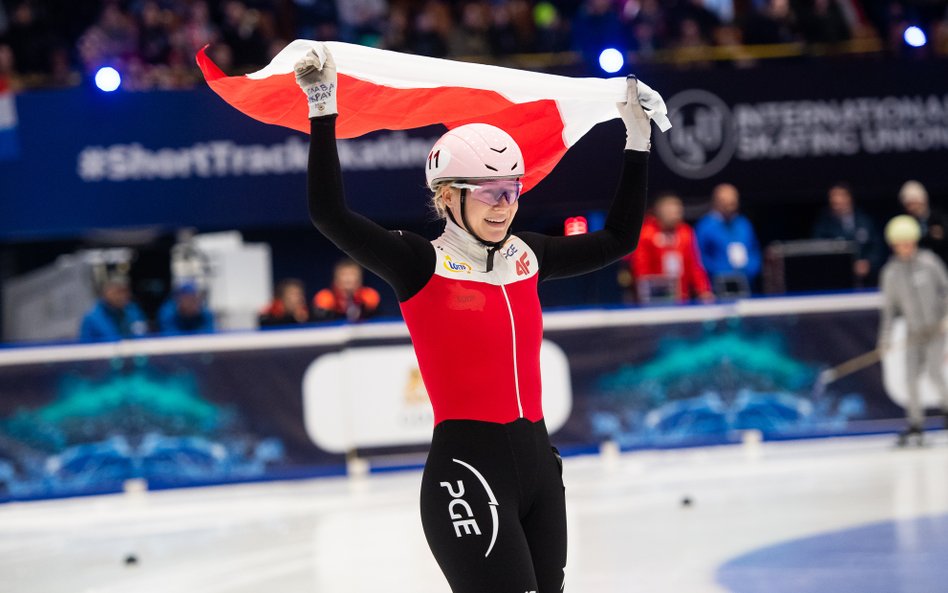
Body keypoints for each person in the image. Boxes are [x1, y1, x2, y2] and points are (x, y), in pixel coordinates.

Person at [296, 44, 656, 593]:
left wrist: (636, 140)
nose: (503, 205)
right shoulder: (420, 262)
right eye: (488, 192)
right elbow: (329, 214)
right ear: (446, 197)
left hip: (539, 464)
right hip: (468, 470)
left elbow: (619, 239)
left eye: (511, 191)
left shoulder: (527, 257)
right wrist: (323, 106)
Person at [878, 215, 948, 447]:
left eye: (908, 242)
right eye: (900, 243)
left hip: (937, 329)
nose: (904, 247)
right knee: (910, 378)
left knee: (935, 373)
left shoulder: (930, 262)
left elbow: (945, 291)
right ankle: (915, 423)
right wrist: (885, 340)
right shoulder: (890, 273)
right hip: (914, 333)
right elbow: (889, 311)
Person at [629, 192, 714, 303]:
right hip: (655, 299)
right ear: (658, 211)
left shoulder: (686, 233)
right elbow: (640, 269)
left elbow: (695, 265)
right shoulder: (646, 234)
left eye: (678, 210)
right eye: (670, 210)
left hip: (683, 298)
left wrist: (704, 290)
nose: (676, 214)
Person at [812, 183, 885, 287]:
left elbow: (876, 247)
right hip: (836, 281)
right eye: (833, 197)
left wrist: (868, 263)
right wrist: (843, 267)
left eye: (840, 196)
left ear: (849, 198)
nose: (837, 200)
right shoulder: (824, 226)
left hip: (866, 281)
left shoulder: (864, 221)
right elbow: (818, 250)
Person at [695, 183, 761, 295]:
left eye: (733, 201)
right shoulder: (705, 226)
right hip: (719, 287)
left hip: (746, 284)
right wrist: (721, 273)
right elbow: (700, 258)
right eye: (725, 201)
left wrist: (751, 269)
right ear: (716, 202)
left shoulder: (743, 224)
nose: (730, 204)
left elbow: (754, 250)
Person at [78, 276, 149, 342]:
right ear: (107, 293)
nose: (124, 296)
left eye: (126, 291)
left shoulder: (134, 312)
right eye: (119, 291)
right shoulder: (92, 319)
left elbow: (144, 338)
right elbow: (85, 350)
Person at [312, 258, 381, 322]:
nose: (348, 279)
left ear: (360, 280)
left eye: (352, 274)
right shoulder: (325, 298)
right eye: (344, 275)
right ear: (335, 280)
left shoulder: (369, 296)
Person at [899, 180, 948, 264]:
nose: (913, 208)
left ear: (923, 201)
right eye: (909, 205)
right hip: (916, 266)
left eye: (915, 203)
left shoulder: (939, 217)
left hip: (942, 261)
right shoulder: (904, 223)